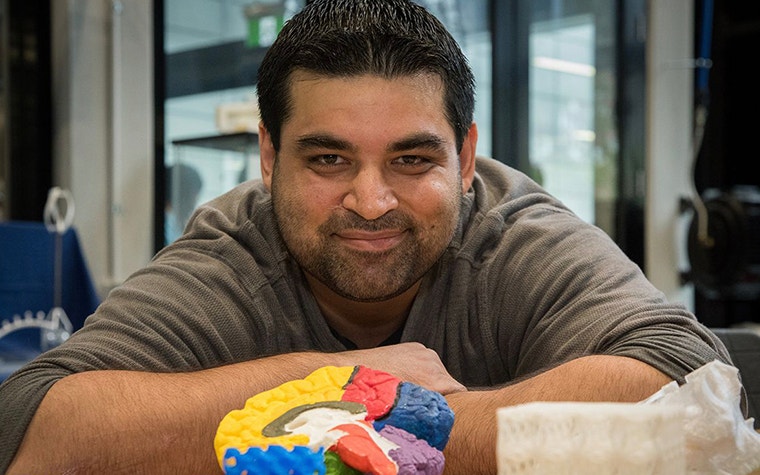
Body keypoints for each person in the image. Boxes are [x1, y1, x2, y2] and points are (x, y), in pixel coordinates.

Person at [0, 0, 735, 473]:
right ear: (268, 157)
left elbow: (692, 381)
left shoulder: (514, 237)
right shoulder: (231, 257)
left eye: (412, 159)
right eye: (328, 158)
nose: (371, 201)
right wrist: (340, 383)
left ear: (467, 156)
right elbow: (32, 423)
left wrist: (396, 418)